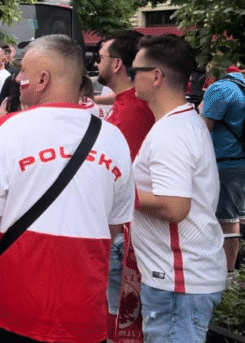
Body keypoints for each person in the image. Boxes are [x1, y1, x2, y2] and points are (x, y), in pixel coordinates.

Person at [0, 34, 134, 343]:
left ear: (42, 79)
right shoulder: (114, 138)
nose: (17, 79)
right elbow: (115, 224)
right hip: (83, 310)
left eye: (23, 72)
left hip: (11, 304)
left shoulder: (7, 129)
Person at [130, 34, 226, 342]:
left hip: (177, 282)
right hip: (180, 279)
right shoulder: (183, 121)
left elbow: (174, 206)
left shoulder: (170, 132)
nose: (131, 78)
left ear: (156, 76)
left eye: (135, 71)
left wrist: (119, 193)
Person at [94, 30, 156, 338]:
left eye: (101, 57)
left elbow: (124, 176)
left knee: (118, 316)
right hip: (121, 227)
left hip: (124, 231)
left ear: (117, 64)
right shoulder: (126, 103)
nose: (97, 63)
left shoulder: (133, 109)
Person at [202, 66, 245, 276]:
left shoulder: (220, 88)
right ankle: (238, 266)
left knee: (227, 220)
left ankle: (228, 273)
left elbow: (204, 126)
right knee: (239, 214)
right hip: (240, 161)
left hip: (225, 164)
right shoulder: (241, 88)